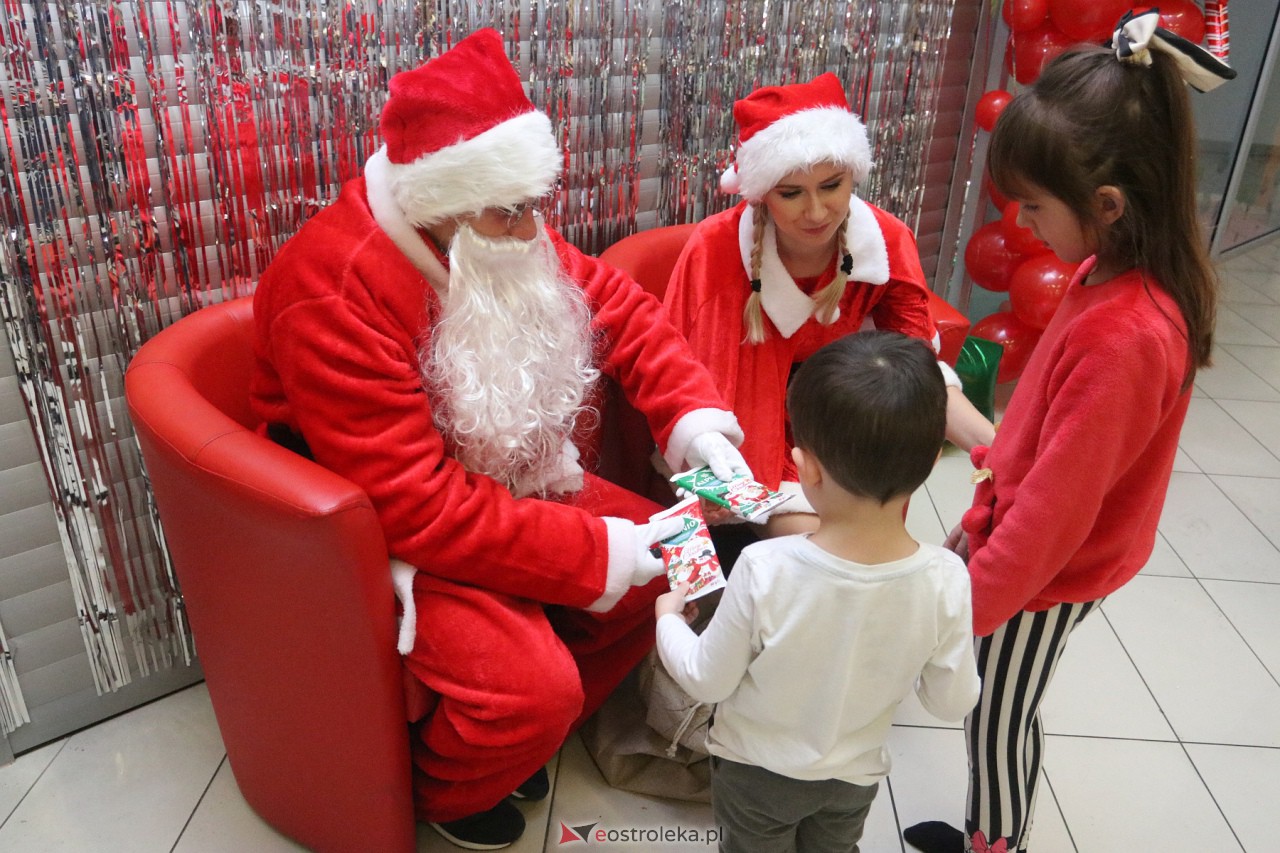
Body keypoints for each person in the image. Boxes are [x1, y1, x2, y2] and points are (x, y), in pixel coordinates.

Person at [250, 28, 753, 850]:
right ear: (438, 198)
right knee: (532, 688)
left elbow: (619, 310)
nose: (532, 233)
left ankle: (519, 740)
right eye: (510, 211)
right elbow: (415, 506)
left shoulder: (493, 228)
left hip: (503, 479)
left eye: (533, 207)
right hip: (374, 528)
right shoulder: (335, 290)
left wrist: (694, 422)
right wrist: (599, 552)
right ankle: (441, 788)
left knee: (684, 549)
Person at [903, 11, 1235, 853]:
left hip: (1051, 571)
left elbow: (1056, 514)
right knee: (993, 695)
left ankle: (995, 843)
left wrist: (967, 609)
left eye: (1034, 206)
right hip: (1021, 531)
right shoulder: (1107, 269)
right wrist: (979, 441)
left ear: (1109, 205)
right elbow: (1050, 440)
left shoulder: (1129, 333)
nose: (1027, 224)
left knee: (997, 714)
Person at [655, 331, 982, 853]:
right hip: (853, 778)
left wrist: (667, 617)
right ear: (926, 466)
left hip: (755, 773)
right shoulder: (946, 576)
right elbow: (952, 700)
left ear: (805, 467)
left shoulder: (764, 567)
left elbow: (706, 679)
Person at [663, 72, 996, 544]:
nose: (817, 212)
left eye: (832, 185)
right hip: (743, 437)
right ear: (762, 193)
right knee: (828, 561)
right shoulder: (716, 250)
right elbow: (688, 380)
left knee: (866, 558)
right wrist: (715, 475)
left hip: (841, 433)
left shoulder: (886, 240)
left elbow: (916, 370)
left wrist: (999, 456)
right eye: (791, 193)